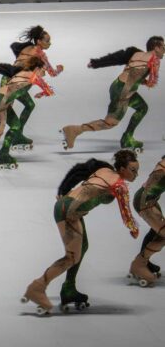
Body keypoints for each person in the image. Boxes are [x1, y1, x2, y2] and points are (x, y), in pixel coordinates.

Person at [21, 150, 140, 315]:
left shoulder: (103, 170)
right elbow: (126, 212)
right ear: (121, 168)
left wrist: (64, 191)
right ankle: (37, 287)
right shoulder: (119, 185)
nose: (136, 174)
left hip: (68, 207)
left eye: (137, 170)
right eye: (133, 170)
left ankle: (69, 288)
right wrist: (134, 229)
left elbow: (78, 173)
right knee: (72, 257)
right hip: (70, 211)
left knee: (82, 247)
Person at [61, 36, 163, 152]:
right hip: (124, 91)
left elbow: (116, 58)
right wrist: (141, 82)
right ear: (156, 48)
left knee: (142, 108)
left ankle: (127, 137)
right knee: (109, 123)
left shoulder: (136, 53)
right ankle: (74, 130)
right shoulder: (154, 60)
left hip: (117, 85)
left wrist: (96, 63)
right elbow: (147, 80)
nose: (164, 51)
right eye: (163, 47)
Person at [0, 25, 63, 151]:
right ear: (39, 41)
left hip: (7, 78)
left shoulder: (27, 47)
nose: (50, 43)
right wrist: (60, 69)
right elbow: (52, 73)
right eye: (47, 41)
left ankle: (17, 134)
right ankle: (11, 138)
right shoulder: (41, 56)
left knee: (28, 105)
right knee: (6, 111)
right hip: (16, 83)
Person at [128, 154, 165, 286]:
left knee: (155, 232)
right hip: (145, 202)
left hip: (150, 200)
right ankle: (139, 265)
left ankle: (145, 262)